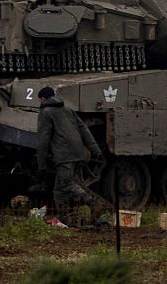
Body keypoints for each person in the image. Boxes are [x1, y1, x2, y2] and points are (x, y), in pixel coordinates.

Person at [36, 86, 109, 227]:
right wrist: (95, 149)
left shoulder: (45, 112)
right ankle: (63, 217)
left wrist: (42, 164)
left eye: (40, 100)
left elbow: (43, 139)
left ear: (43, 99)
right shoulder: (68, 109)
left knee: (67, 183)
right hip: (78, 152)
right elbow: (84, 129)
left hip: (64, 154)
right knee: (59, 188)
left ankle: (94, 204)